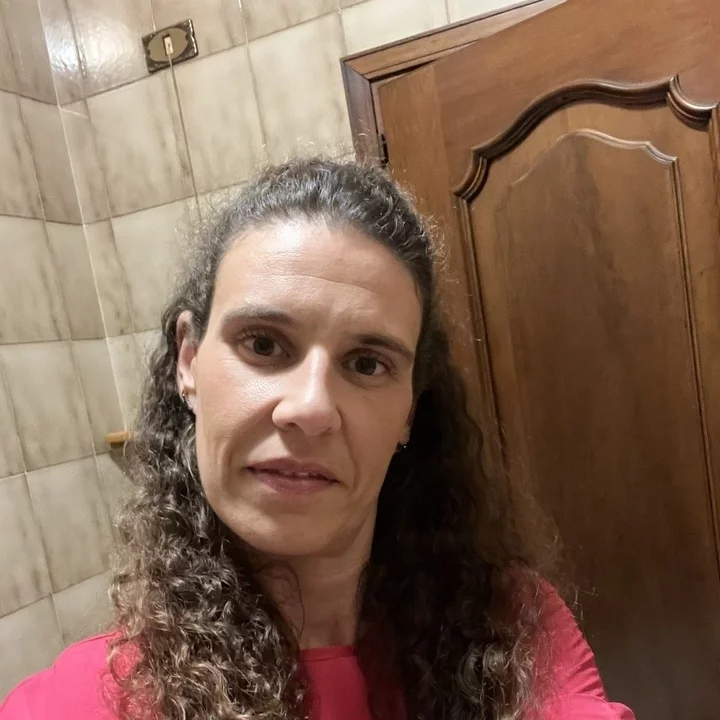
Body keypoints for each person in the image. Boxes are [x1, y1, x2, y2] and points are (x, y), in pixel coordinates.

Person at [0, 159, 634, 720]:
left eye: (366, 364)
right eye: (263, 344)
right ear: (188, 360)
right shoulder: (84, 700)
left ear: (410, 410)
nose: (310, 409)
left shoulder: (513, 631)